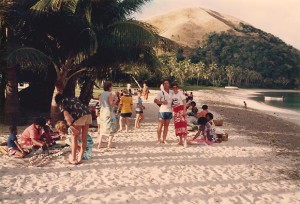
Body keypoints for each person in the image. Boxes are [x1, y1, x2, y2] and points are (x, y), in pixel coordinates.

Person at [55, 93, 92, 165]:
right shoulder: (73, 99)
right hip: (88, 113)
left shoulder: (62, 103)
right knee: (84, 138)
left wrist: (71, 127)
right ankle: (80, 157)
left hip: (79, 116)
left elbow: (67, 117)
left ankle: (74, 158)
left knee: (74, 138)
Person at [98, 81, 117, 149]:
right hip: (108, 111)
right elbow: (111, 104)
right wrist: (115, 100)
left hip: (103, 111)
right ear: (109, 87)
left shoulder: (102, 94)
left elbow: (100, 103)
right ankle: (109, 144)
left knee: (103, 127)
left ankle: (100, 143)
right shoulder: (110, 94)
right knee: (111, 126)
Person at [154, 80, 173, 144]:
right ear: (163, 85)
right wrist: (162, 102)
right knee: (160, 125)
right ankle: (159, 139)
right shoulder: (161, 92)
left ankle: (164, 139)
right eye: (164, 83)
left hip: (169, 111)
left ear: (169, 84)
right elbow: (155, 100)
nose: (165, 84)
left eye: (167, 83)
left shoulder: (171, 92)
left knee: (166, 126)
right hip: (162, 110)